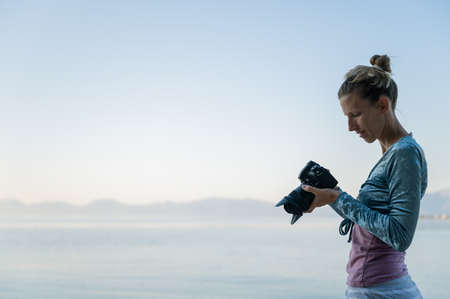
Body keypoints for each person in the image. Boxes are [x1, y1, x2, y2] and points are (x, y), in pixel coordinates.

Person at [301, 54, 427, 298]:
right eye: (347, 117)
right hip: (375, 289)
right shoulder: (392, 153)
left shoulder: (404, 153)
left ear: (383, 105)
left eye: (355, 115)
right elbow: (370, 223)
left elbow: (399, 235)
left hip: (383, 292)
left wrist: (338, 199)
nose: (350, 127)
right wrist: (328, 198)